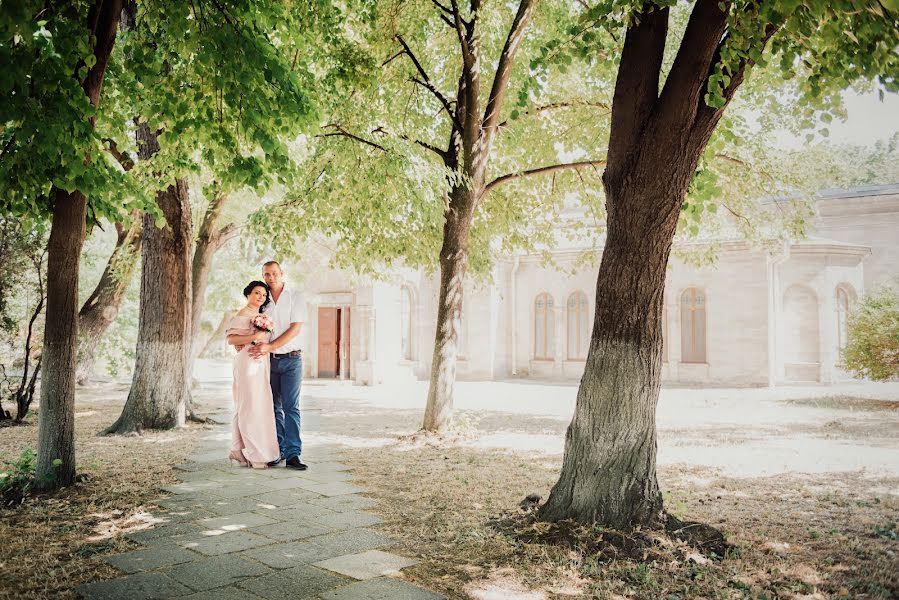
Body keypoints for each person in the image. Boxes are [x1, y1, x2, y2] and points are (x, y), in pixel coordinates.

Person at [248, 261, 308, 470]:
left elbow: (295, 328)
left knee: (291, 407)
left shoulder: (296, 296)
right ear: (263, 276)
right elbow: (253, 325)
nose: (271, 277)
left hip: (292, 359)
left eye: (274, 273)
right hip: (269, 361)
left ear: (282, 273)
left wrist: (272, 345)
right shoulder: (263, 302)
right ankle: (278, 451)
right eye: (267, 275)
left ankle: (293, 454)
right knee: (273, 408)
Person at [225, 281, 280, 469]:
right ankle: (255, 454)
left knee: (254, 405)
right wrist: (252, 338)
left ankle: (237, 450)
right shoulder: (243, 315)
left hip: (260, 364)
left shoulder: (260, 316)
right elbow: (232, 339)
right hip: (247, 363)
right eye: (257, 293)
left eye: (264, 295)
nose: (260, 297)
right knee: (250, 407)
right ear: (248, 294)